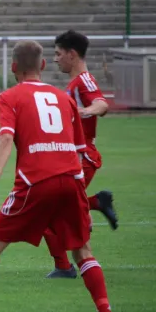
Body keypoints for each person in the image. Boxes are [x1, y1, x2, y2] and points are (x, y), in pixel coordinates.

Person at [0, 40, 118, 312]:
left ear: (13, 67)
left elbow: (5, 137)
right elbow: (79, 148)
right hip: (72, 179)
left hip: (35, 181)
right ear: (42, 65)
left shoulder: (9, 97)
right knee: (83, 252)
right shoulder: (63, 98)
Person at [42, 30, 119, 279]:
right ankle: (96, 203)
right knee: (52, 207)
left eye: (58, 54)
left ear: (72, 54)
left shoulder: (84, 80)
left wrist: (82, 113)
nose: (55, 59)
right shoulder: (74, 83)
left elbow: (102, 104)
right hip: (70, 157)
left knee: (49, 208)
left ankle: (66, 266)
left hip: (82, 157)